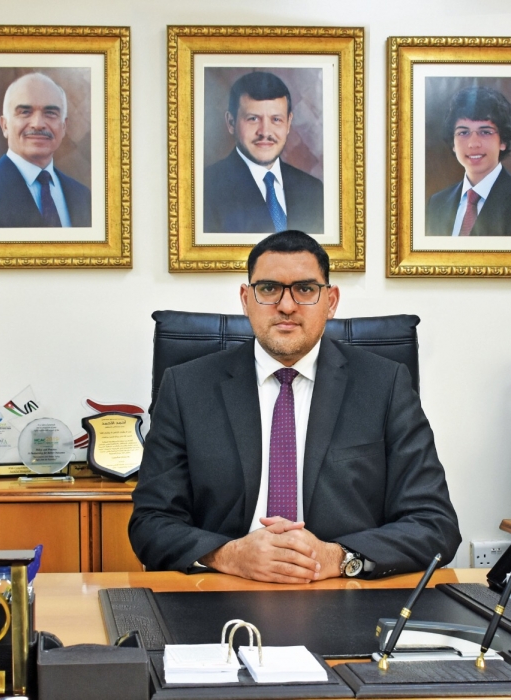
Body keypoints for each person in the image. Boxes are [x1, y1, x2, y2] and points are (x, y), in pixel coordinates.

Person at [129, 230, 461, 583]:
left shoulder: (385, 385)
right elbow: (150, 522)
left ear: (331, 301)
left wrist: (339, 558)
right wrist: (230, 556)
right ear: (246, 299)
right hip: (222, 587)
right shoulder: (186, 388)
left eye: (305, 289)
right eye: (268, 288)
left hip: (345, 590)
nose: (286, 306)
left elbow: (434, 523)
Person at [203, 72, 324, 234]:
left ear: (288, 123)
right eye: (253, 119)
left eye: (276, 119)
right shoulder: (204, 189)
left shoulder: (313, 191)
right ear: (231, 123)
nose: (265, 132)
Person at [0, 72, 91, 228]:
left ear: (63, 127)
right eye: (25, 112)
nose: (38, 124)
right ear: (5, 125)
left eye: (50, 113)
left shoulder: (83, 197)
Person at [426, 86, 511, 237]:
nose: (473, 144)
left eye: (485, 132)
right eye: (463, 132)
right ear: (453, 144)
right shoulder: (437, 204)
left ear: (503, 141)